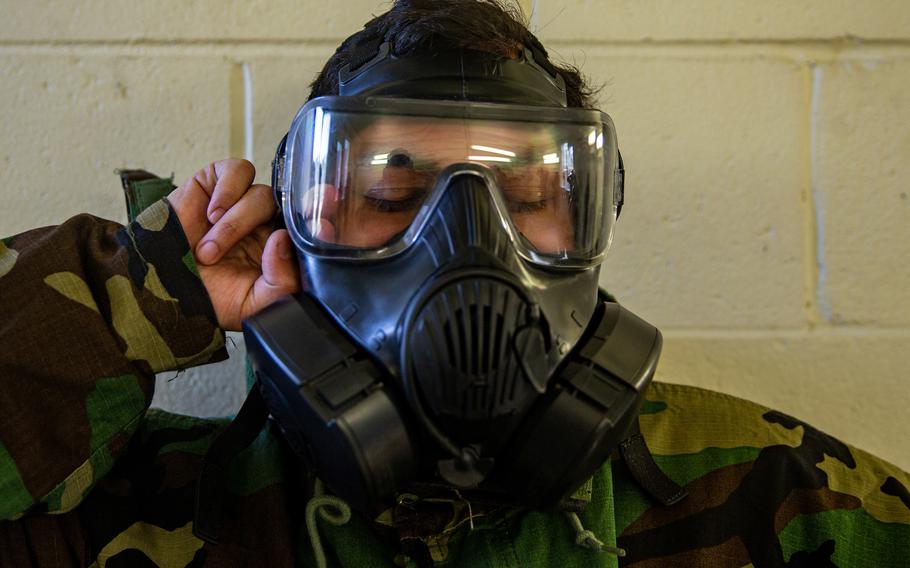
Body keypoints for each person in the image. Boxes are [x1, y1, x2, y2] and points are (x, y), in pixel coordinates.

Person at [1, 1, 909, 566]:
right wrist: (143, 289)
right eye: (393, 193)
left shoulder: (787, 501)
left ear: (592, 223)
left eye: (527, 197)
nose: (468, 244)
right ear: (296, 230)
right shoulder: (143, 519)